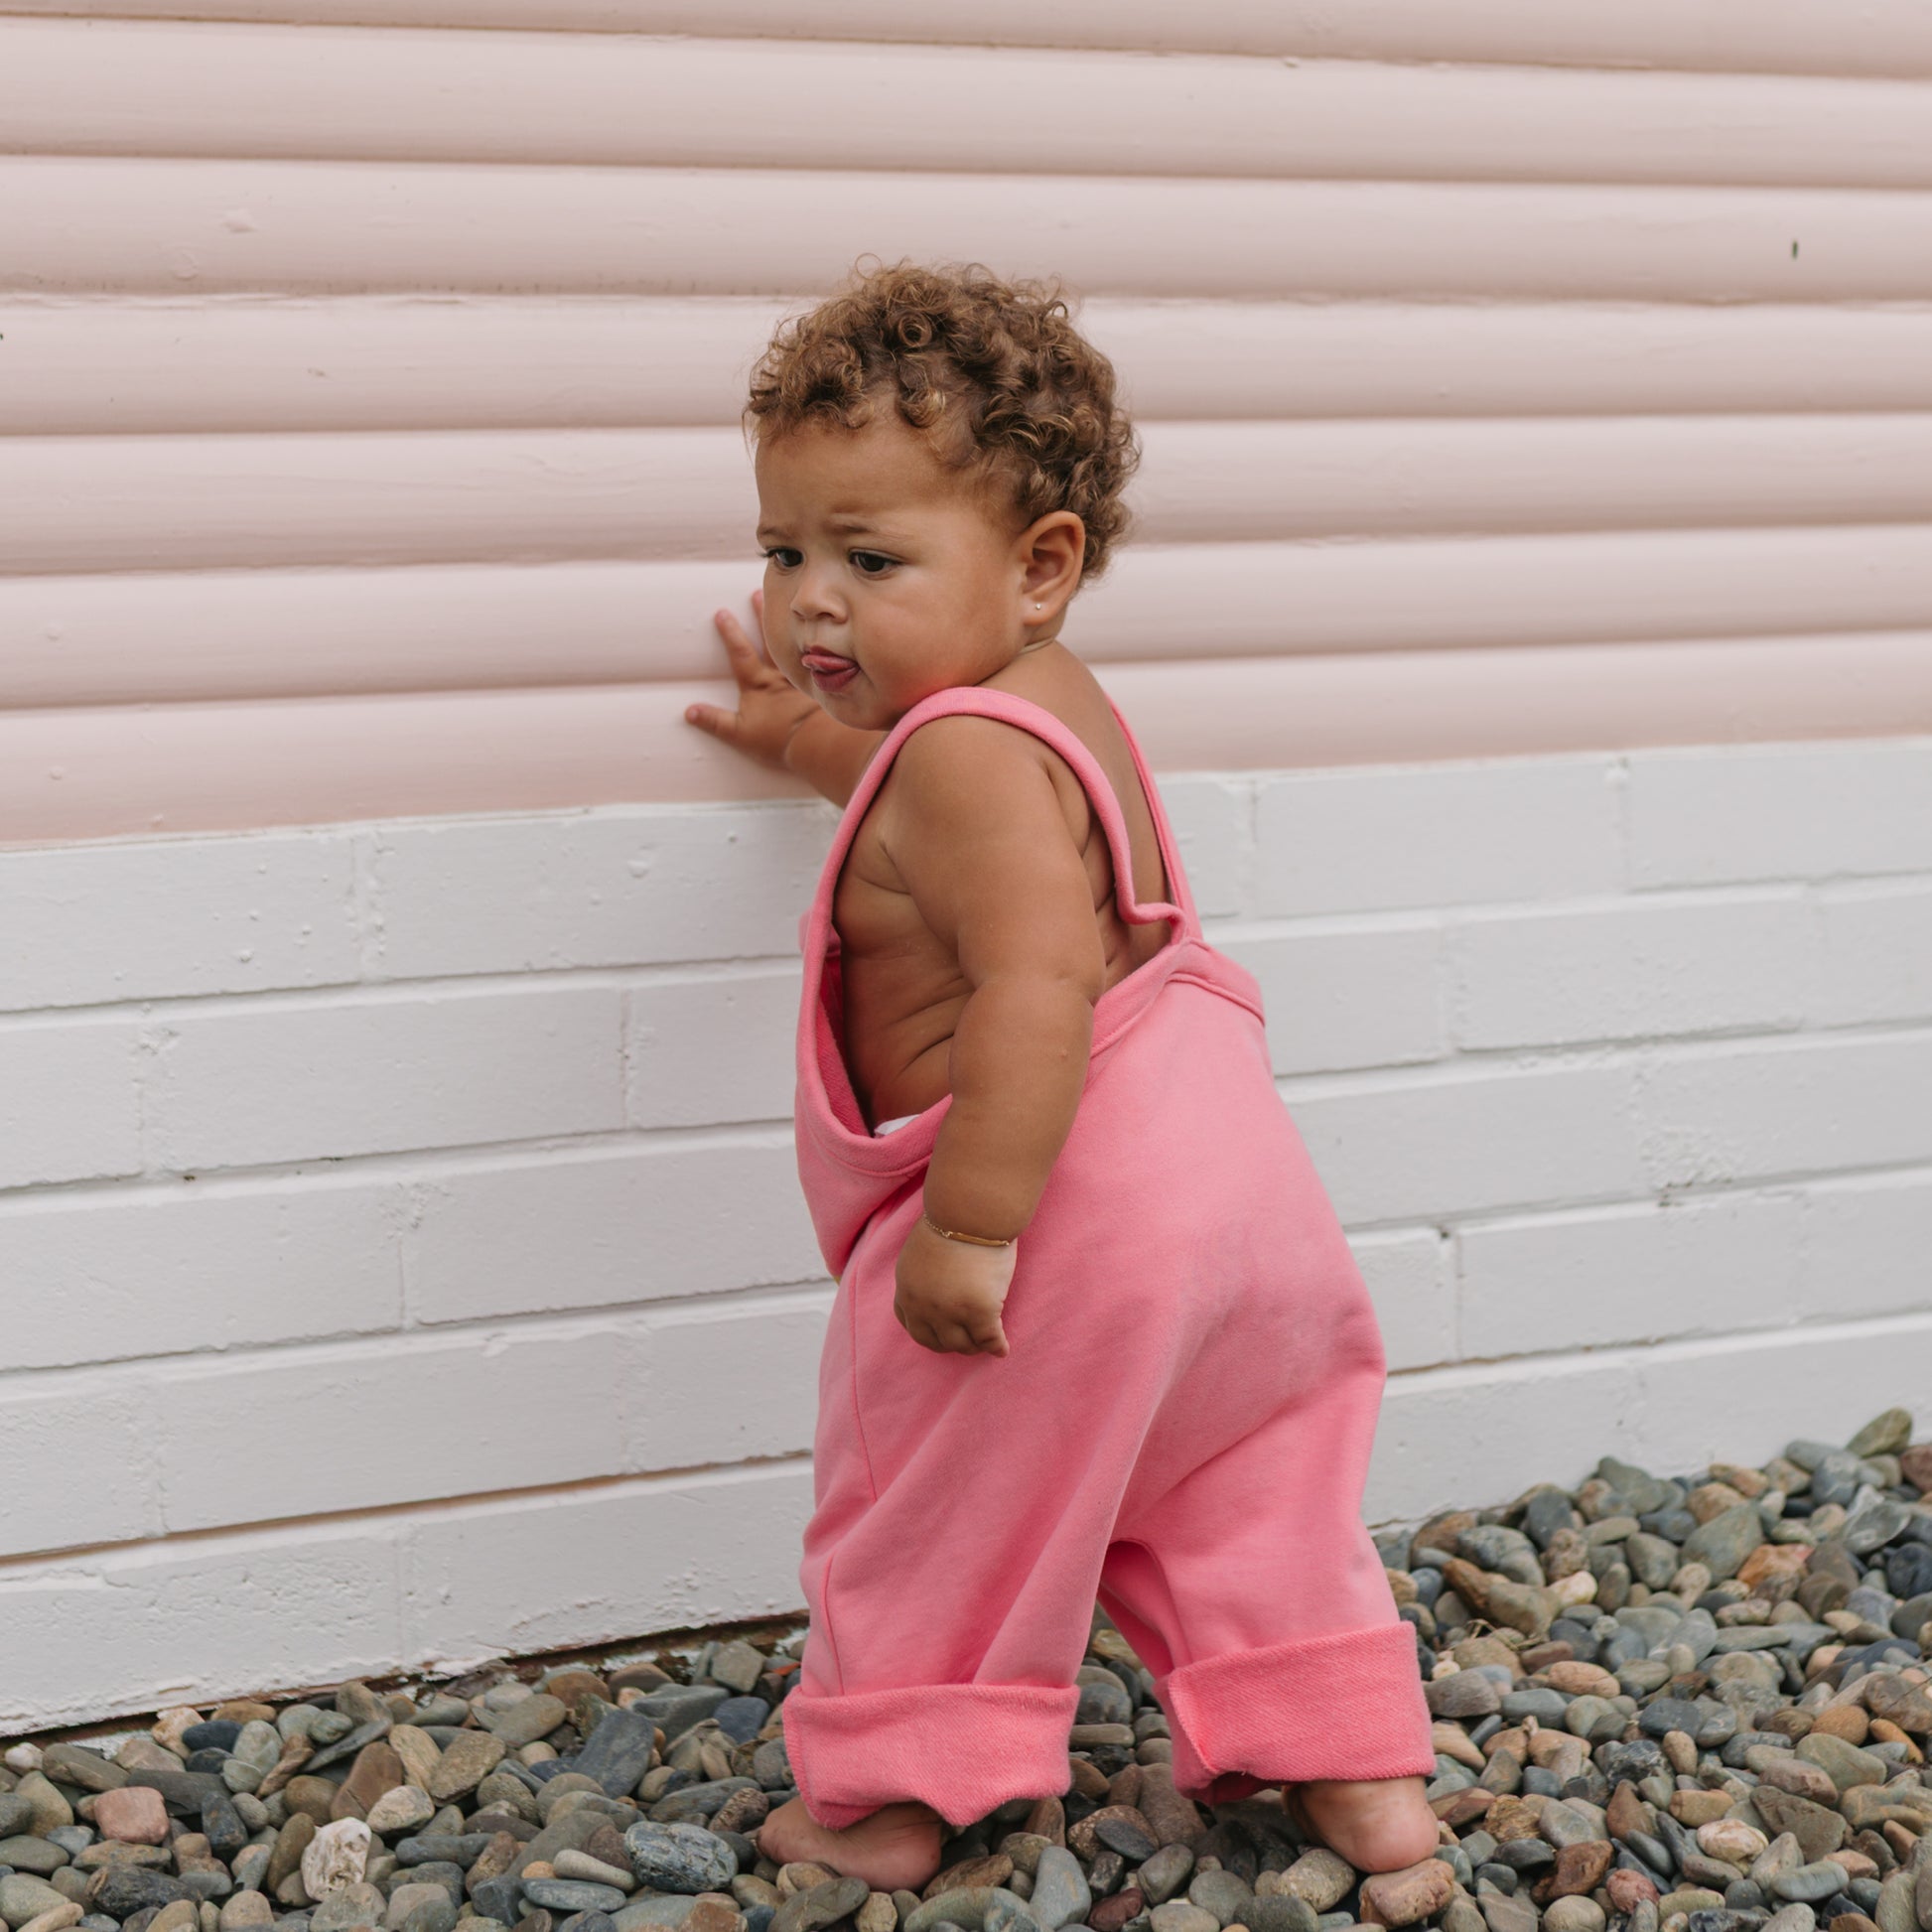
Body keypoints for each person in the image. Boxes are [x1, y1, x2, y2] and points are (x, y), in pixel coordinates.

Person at [684, 261, 1440, 1892]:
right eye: (783, 550)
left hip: (1053, 1212)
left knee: (937, 1507)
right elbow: (907, 801)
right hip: (1234, 1196)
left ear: (1040, 565)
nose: (810, 601)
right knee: (1243, 1491)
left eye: (868, 558)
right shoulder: (1048, 709)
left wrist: (970, 1227)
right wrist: (793, 737)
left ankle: (890, 1793)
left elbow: (1035, 985)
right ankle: (1353, 1764)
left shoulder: (961, 753)